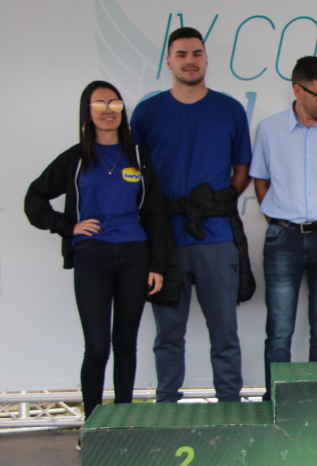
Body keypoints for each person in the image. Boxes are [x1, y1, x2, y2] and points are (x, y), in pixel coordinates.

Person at [25, 81, 176, 420]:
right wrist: (68, 226)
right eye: (99, 104)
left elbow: (154, 213)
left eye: (114, 103)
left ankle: (122, 421)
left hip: (134, 256)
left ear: (123, 110)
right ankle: (92, 425)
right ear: (87, 112)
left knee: (125, 346)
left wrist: (157, 264)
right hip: (91, 257)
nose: (108, 110)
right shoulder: (75, 158)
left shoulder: (138, 156)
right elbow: (34, 199)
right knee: (96, 348)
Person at [131, 27, 254, 403]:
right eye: (181, 54)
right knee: (168, 333)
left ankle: (230, 404)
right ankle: (167, 404)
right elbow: (135, 172)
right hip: (164, 240)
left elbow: (242, 169)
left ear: (205, 59)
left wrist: (217, 202)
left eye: (196, 54)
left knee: (225, 332)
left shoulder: (229, 109)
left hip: (216, 237)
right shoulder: (147, 112)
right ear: (168, 61)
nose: (189, 61)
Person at [250, 57, 317, 401]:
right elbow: (261, 181)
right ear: (297, 90)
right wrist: (284, 217)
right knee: (279, 332)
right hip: (282, 238)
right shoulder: (269, 129)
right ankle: (276, 406)